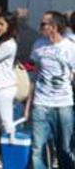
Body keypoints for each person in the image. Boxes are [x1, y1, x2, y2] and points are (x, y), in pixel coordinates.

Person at [27, 11, 75, 169]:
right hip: (41, 103)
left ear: (54, 27)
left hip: (64, 104)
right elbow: (34, 76)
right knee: (37, 148)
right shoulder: (38, 45)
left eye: (43, 24)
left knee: (65, 149)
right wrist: (28, 106)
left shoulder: (70, 47)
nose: (40, 27)